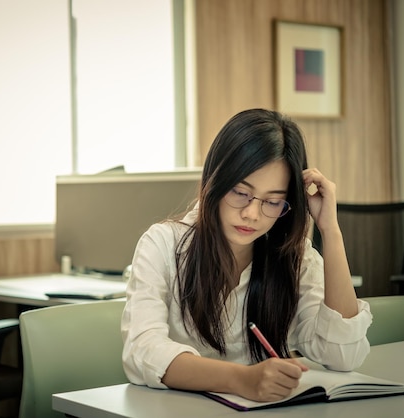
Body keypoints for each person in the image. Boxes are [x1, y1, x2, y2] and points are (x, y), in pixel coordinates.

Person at [121, 108, 372, 403]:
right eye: (240, 192)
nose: (252, 214)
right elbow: (142, 351)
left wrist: (331, 231)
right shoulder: (162, 245)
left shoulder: (294, 257)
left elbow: (343, 355)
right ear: (214, 180)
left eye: (273, 201)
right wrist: (242, 380)